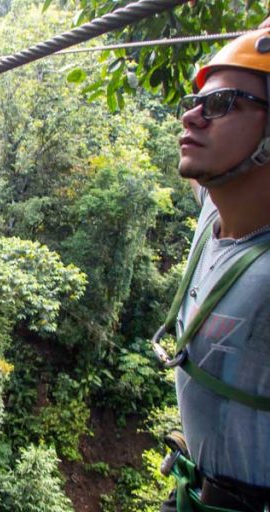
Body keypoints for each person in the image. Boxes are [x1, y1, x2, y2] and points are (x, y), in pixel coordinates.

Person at [155, 29, 270, 511]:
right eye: (195, 101)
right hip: (195, 493)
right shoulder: (215, 211)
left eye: (220, 104)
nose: (190, 115)